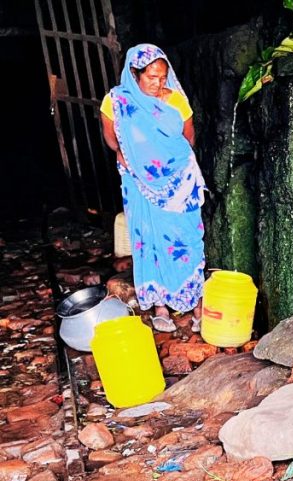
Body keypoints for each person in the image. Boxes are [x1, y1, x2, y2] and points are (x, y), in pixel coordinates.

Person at [100, 44, 206, 333]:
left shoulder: (177, 101)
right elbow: (111, 138)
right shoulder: (116, 102)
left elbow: (188, 138)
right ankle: (160, 306)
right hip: (138, 183)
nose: (158, 83)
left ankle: (196, 302)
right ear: (134, 74)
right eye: (151, 77)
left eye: (162, 77)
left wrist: (166, 164)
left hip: (179, 181)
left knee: (187, 240)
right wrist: (129, 156)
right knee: (150, 240)